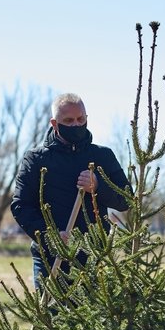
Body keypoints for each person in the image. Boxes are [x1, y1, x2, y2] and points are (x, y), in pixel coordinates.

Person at [11, 93, 130, 286]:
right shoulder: (36, 159)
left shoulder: (103, 156)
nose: (76, 125)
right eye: (68, 120)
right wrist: (51, 237)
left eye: (80, 119)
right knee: (52, 314)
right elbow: (21, 206)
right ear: (54, 123)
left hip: (93, 257)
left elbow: (126, 200)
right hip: (50, 257)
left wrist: (98, 186)